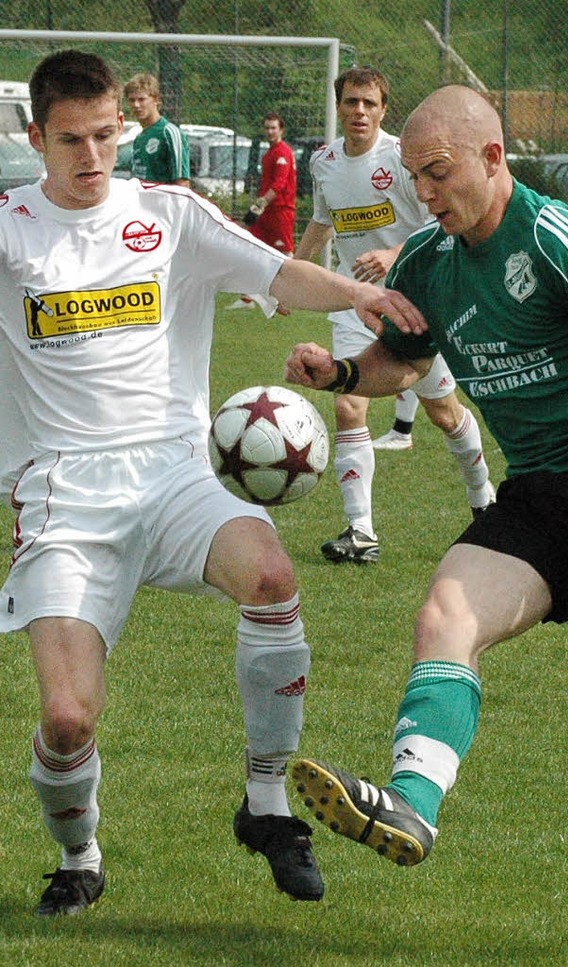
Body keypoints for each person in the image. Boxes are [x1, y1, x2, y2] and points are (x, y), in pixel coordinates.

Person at [0, 49, 422, 916]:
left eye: (107, 136)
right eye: (71, 140)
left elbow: (275, 272)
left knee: (271, 575)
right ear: (35, 136)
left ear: (125, 127)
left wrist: (358, 295)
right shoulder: (9, 229)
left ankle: (266, 802)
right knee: (70, 717)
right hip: (62, 497)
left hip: (174, 473)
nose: (92, 158)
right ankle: (80, 854)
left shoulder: (169, 215)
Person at [285, 84, 568, 870]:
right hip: (540, 496)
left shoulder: (560, 241)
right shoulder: (428, 261)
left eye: (438, 172)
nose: (423, 192)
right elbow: (406, 362)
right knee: (446, 611)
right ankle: (412, 803)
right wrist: (341, 372)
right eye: (414, 176)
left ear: (491, 155)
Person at [293, 67, 495, 564]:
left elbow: (439, 224)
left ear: (384, 110)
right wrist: (289, 276)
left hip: (415, 298)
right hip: (353, 300)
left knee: (444, 414)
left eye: (368, 103)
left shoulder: (401, 159)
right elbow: (322, 223)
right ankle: (360, 531)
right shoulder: (323, 161)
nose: (359, 111)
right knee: (346, 402)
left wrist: (393, 255)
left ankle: (484, 499)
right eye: (350, 102)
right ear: (338, 107)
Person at [227, 112, 297, 310]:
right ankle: (247, 297)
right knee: (250, 247)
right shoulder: (269, 153)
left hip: (281, 211)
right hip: (266, 212)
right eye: (267, 128)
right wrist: (260, 206)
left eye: (273, 128)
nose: (270, 131)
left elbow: (280, 184)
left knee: (285, 254)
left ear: (281, 130)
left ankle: (289, 297)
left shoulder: (283, 153)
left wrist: (261, 203)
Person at [124, 72, 190, 186]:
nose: (136, 105)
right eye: (131, 100)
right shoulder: (139, 138)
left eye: (141, 99)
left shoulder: (169, 132)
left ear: (156, 99)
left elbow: (182, 182)